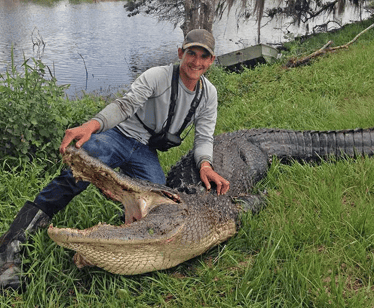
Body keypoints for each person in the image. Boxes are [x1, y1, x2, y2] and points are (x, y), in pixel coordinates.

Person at [0, 28, 230, 290]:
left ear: (211, 61)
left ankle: (116, 248)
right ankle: (11, 246)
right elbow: (125, 105)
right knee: (77, 174)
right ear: (181, 53)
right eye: (192, 53)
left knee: (160, 206)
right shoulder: (158, 76)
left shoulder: (208, 94)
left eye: (204, 56)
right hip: (119, 136)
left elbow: (204, 136)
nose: (196, 62)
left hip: (145, 150)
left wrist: (205, 165)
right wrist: (93, 125)